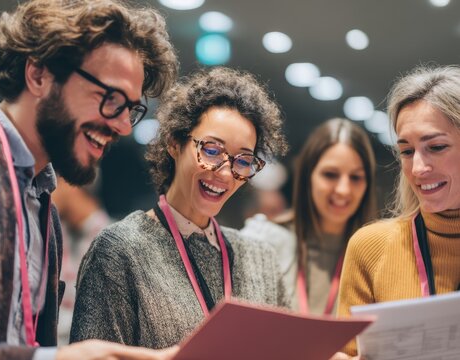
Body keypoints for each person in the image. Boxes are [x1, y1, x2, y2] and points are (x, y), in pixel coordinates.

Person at [0, 0, 178, 359]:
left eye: (131, 110)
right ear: (39, 75)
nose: (122, 125)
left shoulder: (44, 208)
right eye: (111, 98)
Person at [70, 67, 289, 349]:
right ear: (175, 143)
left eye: (243, 160)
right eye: (211, 150)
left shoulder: (261, 261)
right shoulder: (121, 250)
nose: (225, 173)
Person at [336, 64, 460, 357]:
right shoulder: (371, 247)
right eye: (406, 151)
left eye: (437, 147)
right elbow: (346, 354)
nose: (417, 168)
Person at [241, 118, 377, 315]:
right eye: (330, 174)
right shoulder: (261, 242)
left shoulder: (374, 258)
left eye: (356, 177)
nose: (343, 190)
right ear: (307, 176)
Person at [51, 175, 113, 345]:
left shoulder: (111, 243)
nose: (46, 192)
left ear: (69, 184)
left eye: (52, 183)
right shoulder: (58, 230)